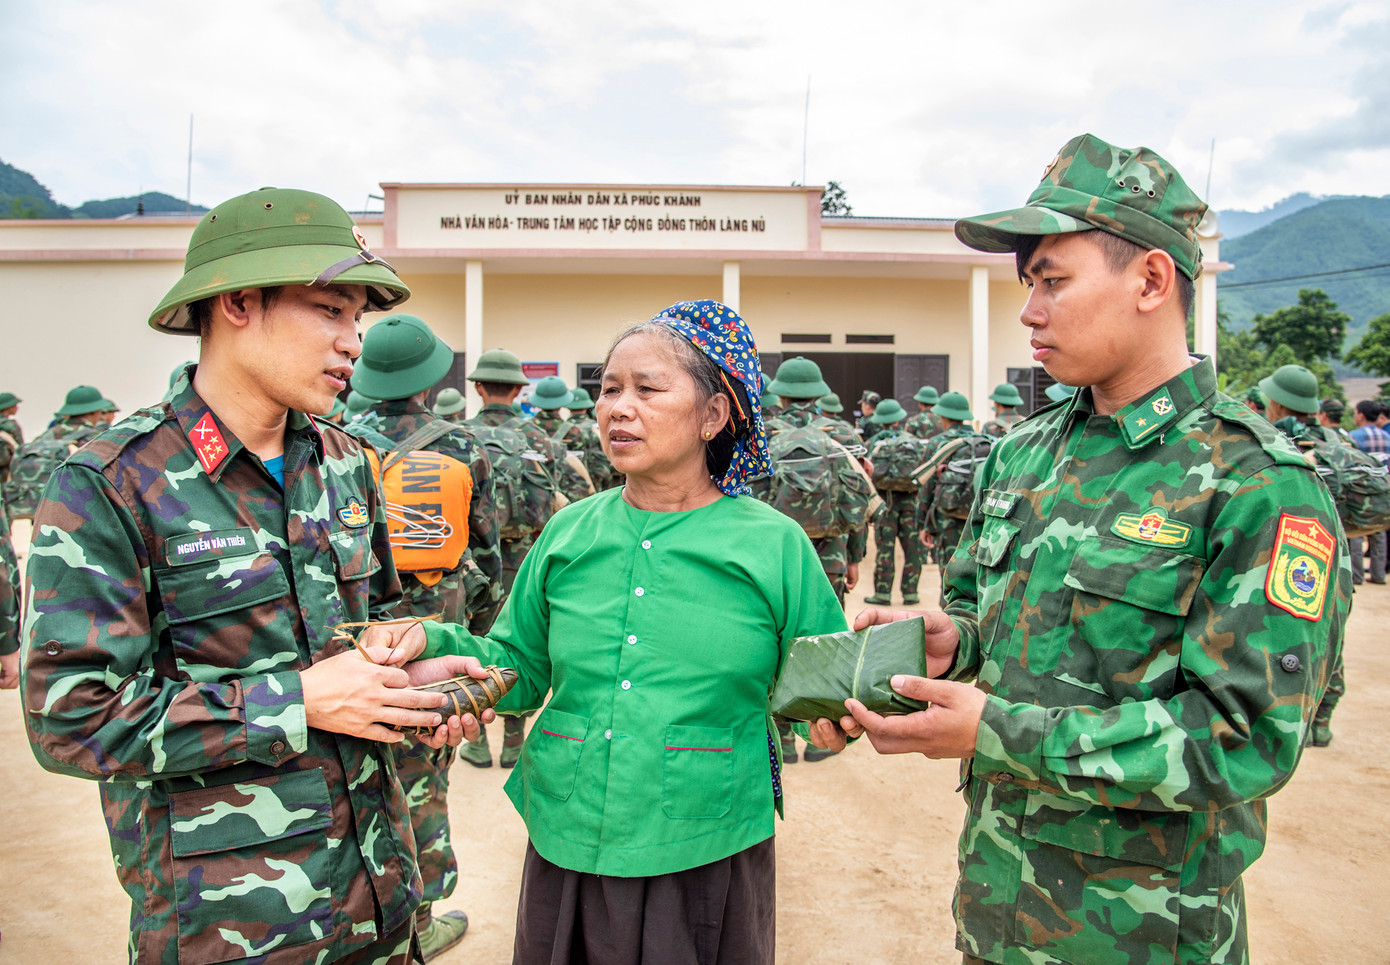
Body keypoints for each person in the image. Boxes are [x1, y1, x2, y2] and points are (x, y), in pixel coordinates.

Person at [820, 134, 1350, 965]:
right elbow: (987, 622)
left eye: (1054, 281)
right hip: (998, 913)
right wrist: (956, 644)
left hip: (1144, 938)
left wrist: (1000, 732)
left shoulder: (1253, 482)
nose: (1030, 311)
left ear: (1150, 279)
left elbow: (1246, 735)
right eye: (1028, 284)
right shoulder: (1023, 454)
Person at [21, 186, 494, 965]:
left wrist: (409, 680)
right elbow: (71, 718)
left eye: (358, 319)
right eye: (330, 310)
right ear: (239, 302)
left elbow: (365, 633)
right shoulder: (111, 484)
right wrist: (298, 701)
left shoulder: (345, 462)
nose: (354, 342)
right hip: (237, 930)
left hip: (383, 901)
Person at [362, 299, 847, 965]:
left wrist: (843, 712)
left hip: (707, 844)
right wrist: (438, 645)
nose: (619, 407)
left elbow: (826, 682)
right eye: (610, 388)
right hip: (570, 831)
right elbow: (519, 664)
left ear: (714, 414)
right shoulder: (569, 532)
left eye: (648, 389)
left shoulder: (774, 545)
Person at [347, 312, 506, 958]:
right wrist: (472, 634)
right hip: (436, 623)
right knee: (425, 772)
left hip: (360, 629)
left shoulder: (337, 442)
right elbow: (490, 557)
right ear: (428, 377)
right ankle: (421, 919)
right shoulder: (464, 446)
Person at [462, 351, 588, 768]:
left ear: (479, 387)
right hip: (527, 558)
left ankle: (477, 742)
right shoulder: (540, 441)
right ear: (519, 390)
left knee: (474, 652)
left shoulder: (457, 437)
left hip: (470, 565)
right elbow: (575, 497)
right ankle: (514, 741)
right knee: (523, 647)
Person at [760, 356, 871, 762]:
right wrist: (856, 556)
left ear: (782, 393)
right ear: (819, 394)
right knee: (823, 645)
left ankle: (783, 740)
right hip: (831, 555)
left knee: (774, 642)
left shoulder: (763, 433)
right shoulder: (840, 433)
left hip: (773, 553)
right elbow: (858, 502)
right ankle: (817, 736)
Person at [3, 385, 119, 521]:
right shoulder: (94, 437)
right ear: (95, 412)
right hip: (75, 509)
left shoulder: (47, 435)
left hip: (40, 505)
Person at [863, 398, 927, 605]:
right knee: (912, 549)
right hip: (910, 502)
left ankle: (882, 594)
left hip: (885, 503)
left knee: (885, 549)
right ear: (899, 418)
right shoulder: (914, 441)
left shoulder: (875, 442)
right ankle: (910, 593)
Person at [915, 391, 985, 574]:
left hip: (945, 518)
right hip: (976, 516)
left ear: (942, 416)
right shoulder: (981, 442)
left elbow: (926, 487)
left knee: (948, 573)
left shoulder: (938, 444)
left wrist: (924, 523)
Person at [1348, 399, 1390, 589]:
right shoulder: (1386, 436)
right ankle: (1379, 574)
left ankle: (1357, 576)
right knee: (1379, 531)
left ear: (1361, 415)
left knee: (1357, 531)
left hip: (1360, 489)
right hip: (1383, 488)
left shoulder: (1353, 436)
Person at [560, 385, 620, 491]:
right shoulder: (596, 427)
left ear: (568, 407)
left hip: (569, 481)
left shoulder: (561, 429)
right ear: (587, 406)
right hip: (596, 480)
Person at [0, 391, 23, 486]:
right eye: (15, 405)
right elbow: (20, 449)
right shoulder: (10, 426)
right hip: (7, 472)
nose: (17, 407)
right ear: (8, 407)